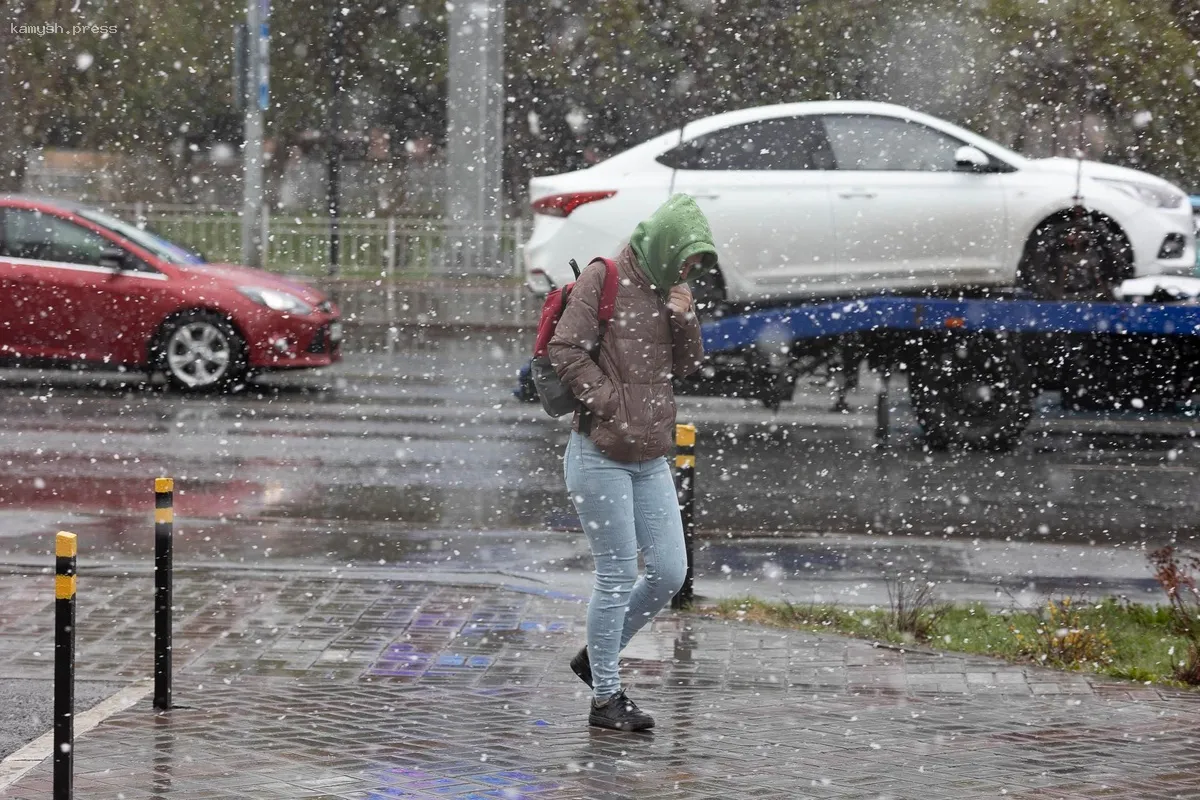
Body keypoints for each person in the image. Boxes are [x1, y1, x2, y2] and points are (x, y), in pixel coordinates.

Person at [548, 194, 717, 732]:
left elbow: (689, 366)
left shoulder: (673, 293)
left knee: (669, 570)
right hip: (598, 452)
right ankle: (606, 698)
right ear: (666, 246)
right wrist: (612, 404)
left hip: (650, 455)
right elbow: (565, 349)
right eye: (686, 259)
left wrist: (685, 318)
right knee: (618, 573)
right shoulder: (607, 276)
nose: (689, 270)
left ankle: (594, 660)